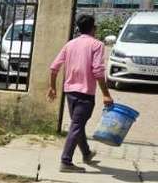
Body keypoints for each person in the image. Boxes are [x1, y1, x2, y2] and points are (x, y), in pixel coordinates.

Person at [48, 14, 113, 172]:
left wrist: (52, 87)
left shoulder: (70, 44)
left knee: (77, 124)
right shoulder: (97, 45)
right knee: (77, 125)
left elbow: (54, 67)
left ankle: (86, 153)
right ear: (94, 28)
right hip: (85, 94)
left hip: (70, 93)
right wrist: (106, 94)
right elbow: (98, 72)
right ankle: (66, 161)